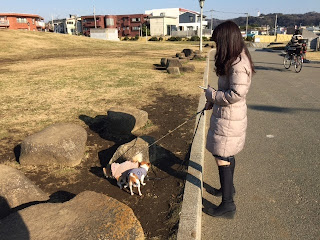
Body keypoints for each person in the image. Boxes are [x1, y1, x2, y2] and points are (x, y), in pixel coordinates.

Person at [204, 20, 254, 218]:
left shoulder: (238, 63)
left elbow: (235, 93)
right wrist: (214, 102)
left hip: (230, 117)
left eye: (217, 42)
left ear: (226, 40)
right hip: (228, 115)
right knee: (226, 155)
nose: (216, 46)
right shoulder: (235, 57)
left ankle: (227, 205)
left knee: (222, 156)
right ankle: (228, 190)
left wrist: (213, 96)